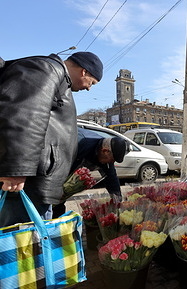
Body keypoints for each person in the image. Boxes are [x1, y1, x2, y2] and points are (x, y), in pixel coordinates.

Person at [0, 51, 103, 227]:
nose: (89, 88)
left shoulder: (59, 78)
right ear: (84, 71)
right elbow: (24, 116)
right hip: (24, 184)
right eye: (91, 82)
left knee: (28, 244)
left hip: (35, 183)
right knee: (18, 244)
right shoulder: (47, 69)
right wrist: (15, 170)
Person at [52, 128, 129, 218]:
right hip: (54, 169)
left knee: (58, 208)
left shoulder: (106, 155)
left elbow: (111, 178)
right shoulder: (81, 143)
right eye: (111, 160)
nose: (110, 163)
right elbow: (58, 165)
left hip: (64, 183)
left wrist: (118, 203)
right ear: (105, 151)